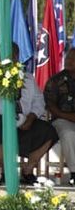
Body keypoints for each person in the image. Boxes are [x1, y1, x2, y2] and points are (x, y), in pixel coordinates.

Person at [0, 43, 58, 185]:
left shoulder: (27, 78)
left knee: (49, 131)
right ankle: (7, 172)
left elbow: (39, 101)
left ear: (17, 56)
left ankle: (28, 169)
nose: (9, 58)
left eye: (13, 55)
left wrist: (32, 117)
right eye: (5, 55)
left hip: (24, 121)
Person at [44, 49, 75, 184]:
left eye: (72, 59)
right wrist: (67, 116)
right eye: (67, 58)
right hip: (61, 119)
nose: (68, 61)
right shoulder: (56, 81)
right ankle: (74, 172)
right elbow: (50, 105)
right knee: (69, 134)